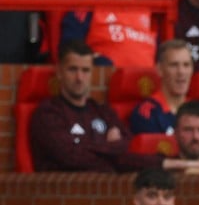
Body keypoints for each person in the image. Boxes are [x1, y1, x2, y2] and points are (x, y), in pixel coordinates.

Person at [29, 41, 165, 172]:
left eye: (85, 70)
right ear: (59, 72)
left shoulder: (102, 111)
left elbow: (127, 146)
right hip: (64, 191)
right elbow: (71, 157)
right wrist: (110, 147)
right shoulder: (48, 113)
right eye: (72, 69)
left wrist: (87, 147)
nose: (79, 78)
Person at [129, 40, 195, 135]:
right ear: (159, 69)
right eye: (174, 65)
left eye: (186, 65)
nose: (181, 72)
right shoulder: (146, 113)